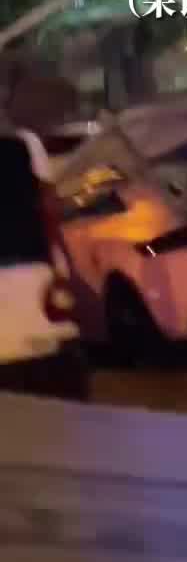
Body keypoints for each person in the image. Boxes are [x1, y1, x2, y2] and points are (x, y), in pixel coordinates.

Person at [0, 124, 86, 400]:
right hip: (33, 270)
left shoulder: (23, 144)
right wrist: (63, 267)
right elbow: (49, 209)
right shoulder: (23, 144)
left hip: (31, 271)